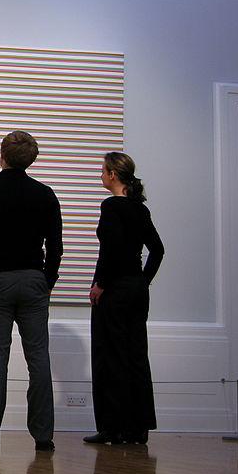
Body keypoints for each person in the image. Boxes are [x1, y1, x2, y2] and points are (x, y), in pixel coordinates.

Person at [0, 130, 63, 452]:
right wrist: (48, 280)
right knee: (39, 357)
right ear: (31, 159)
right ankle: (43, 436)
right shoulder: (46, 195)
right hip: (34, 281)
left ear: (1, 155)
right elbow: (56, 246)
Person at [85, 152, 164, 445]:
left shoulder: (112, 206)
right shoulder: (140, 209)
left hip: (115, 291)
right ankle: (138, 427)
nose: (101, 175)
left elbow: (111, 249)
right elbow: (158, 249)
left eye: (103, 171)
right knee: (135, 356)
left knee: (110, 355)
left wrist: (100, 284)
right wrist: (142, 280)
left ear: (113, 175)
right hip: (136, 291)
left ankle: (112, 428)